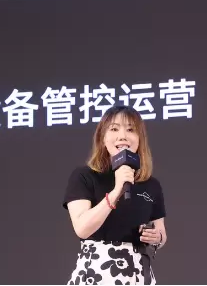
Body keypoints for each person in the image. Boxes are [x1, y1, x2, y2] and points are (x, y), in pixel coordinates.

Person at [63, 105, 167, 285]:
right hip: (97, 272)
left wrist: (157, 238)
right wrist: (116, 191)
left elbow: (161, 232)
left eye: (130, 130)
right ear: (102, 137)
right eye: (114, 129)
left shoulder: (151, 184)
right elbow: (82, 228)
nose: (122, 136)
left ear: (140, 139)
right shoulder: (85, 176)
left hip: (139, 273)